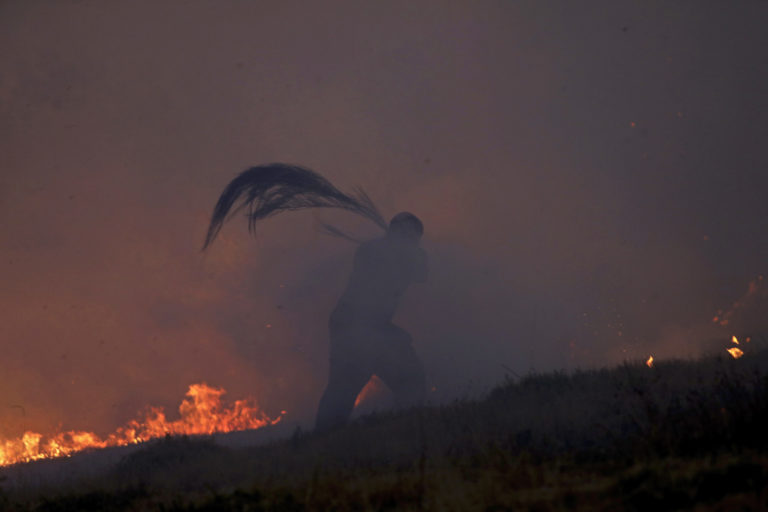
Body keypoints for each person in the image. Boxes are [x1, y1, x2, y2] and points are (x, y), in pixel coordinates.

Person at [315, 212, 428, 431]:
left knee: (410, 380)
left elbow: (422, 275)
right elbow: (382, 269)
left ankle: (405, 429)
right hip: (355, 323)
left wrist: (414, 253)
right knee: (345, 385)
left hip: (372, 326)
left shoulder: (408, 255)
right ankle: (323, 438)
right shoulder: (372, 251)